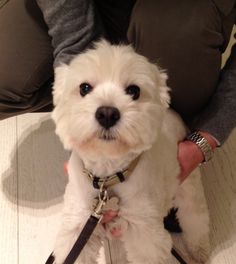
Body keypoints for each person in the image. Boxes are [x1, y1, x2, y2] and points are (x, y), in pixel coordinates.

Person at [0, 0, 236, 182]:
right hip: (94, 6)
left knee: (180, 36)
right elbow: (74, 45)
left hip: (183, 10)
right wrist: (77, 102)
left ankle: (169, 134)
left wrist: (205, 138)